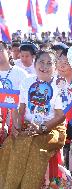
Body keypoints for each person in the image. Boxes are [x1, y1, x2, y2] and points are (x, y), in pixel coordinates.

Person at [0, 50, 66, 189]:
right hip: (29, 126)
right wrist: (17, 126)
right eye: (42, 62)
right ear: (35, 64)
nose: (45, 66)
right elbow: (21, 108)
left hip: (52, 129)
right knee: (9, 145)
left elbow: (61, 116)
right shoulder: (27, 81)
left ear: (55, 67)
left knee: (35, 148)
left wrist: (42, 128)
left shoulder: (59, 85)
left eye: (49, 63)